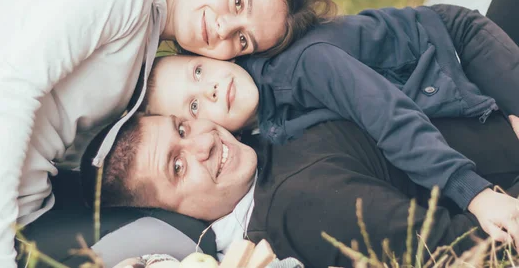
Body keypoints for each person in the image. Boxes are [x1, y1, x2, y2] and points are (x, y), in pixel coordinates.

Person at [0, 0, 334, 267]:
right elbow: (7, 91)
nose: (225, 27)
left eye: (243, 39)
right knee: (183, 239)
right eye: (237, 1)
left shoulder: (147, 37)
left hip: (20, 206)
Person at [142, 4, 519, 241]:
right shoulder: (262, 128)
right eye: (192, 108)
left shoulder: (299, 68)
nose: (208, 90)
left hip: (454, 42)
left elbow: (388, 117)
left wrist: (475, 195)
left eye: (197, 70)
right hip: (433, 84)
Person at [80, 112, 519, 267]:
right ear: (175, 212)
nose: (203, 142)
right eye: (177, 166)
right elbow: (468, 253)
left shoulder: (261, 140)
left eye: (183, 126)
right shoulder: (299, 205)